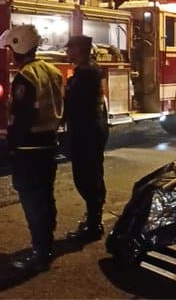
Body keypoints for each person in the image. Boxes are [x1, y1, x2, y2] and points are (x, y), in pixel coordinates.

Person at [0, 24, 64, 273]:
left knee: (33, 200)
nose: (10, 55)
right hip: (48, 143)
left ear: (18, 47)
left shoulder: (26, 77)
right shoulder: (52, 71)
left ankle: (39, 251)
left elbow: (23, 116)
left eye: (11, 49)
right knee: (45, 197)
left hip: (29, 147)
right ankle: (46, 245)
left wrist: (11, 145)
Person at [63, 35, 109, 242]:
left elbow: (74, 104)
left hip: (86, 132)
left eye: (69, 49)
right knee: (90, 175)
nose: (67, 53)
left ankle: (93, 223)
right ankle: (93, 220)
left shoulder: (86, 73)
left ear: (79, 50)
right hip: (90, 130)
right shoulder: (88, 71)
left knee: (87, 177)